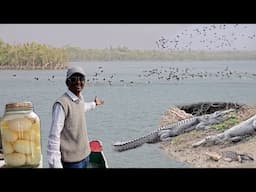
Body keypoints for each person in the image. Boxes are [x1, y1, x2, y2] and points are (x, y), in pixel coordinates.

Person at [47, 66, 104, 168]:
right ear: (67, 82)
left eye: (81, 79)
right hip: (72, 162)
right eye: (74, 79)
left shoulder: (80, 98)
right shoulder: (62, 104)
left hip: (86, 155)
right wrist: (55, 163)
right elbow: (54, 135)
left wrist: (94, 104)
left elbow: (82, 108)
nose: (78, 82)